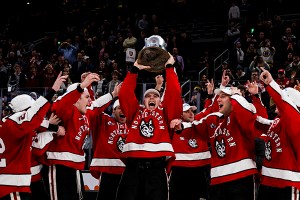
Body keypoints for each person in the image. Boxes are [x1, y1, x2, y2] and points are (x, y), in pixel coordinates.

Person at [171, 83, 258, 200]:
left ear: (233, 100)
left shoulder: (242, 117)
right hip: (218, 178)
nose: (218, 99)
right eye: (218, 97)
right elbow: (194, 127)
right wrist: (180, 126)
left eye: (223, 96)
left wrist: (237, 95)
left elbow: (247, 111)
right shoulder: (212, 119)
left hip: (240, 176)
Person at [43, 72, 121, 200]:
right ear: (76, 99)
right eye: (86, 97)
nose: (90, 100)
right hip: (59, 165)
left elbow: (96, 105)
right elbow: (60, 103)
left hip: (76, 166)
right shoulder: (67, 110)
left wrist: (113, 95)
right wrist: (81, 86)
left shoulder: (86, 114)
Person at [115, 53, 182, 200]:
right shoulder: (135, 112)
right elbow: (125, 93)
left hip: (156, 167)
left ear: (160, 101)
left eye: (156, 96)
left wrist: (169, 68)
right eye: (148, 96)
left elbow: (174, 93)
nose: (152, 98)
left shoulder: (165, 114)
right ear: (143, 100)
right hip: (133, 166)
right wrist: (134, 70)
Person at [0, 72, 67, 199]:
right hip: (12, 182)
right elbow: (37, 146)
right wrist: (52, 91)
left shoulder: (10, 124)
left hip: (13, 179)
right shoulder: (15, 122)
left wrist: (51, 127)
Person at [256, 67, 300, 200]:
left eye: (278, 104)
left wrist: (270, 83)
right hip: (268, 180)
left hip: (286, 183)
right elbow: (259, 121)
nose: (275, 106)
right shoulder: (278, 121)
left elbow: (285, 104)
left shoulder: (296, 120)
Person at [168, 103, 211, 200]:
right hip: (180, 170)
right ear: (180, 114)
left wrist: (209, 95)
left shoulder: (199, 125)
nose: (191, 114)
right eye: (187, 111)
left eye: (192, 111)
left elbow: (209, 111)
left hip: (200, 169)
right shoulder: (174, 127)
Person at [89, 99, 128, 200]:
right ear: (113, 111)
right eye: (119, 108)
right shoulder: (104, 121)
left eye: (125, 108)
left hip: (129, 173)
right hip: (108, 172)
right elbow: (94, 109)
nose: (123, 110)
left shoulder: (135, 124)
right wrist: (112, 95)